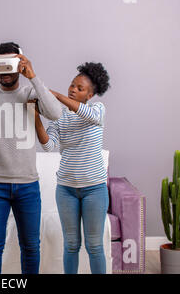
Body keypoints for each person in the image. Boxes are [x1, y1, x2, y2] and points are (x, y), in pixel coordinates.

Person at [0, 42, 63, 274]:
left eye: (10, 65)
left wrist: (33, 76)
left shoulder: (30, 93)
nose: (5, 72)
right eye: (0, 66)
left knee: (31, 247)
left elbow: (56, 113)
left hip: (27, 185)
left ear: (19, 65)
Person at [33, 62, 111, 274]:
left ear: (90, 94)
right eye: (72, 85)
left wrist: (55, 96)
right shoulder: (60, 116)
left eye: (79, 88)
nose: (73, 89)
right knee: (71, 245)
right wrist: (35, 115)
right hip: (66, 189)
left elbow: (89, 115)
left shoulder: (97, 110)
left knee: (94, 246)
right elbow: (49, 145)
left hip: (94, 189)